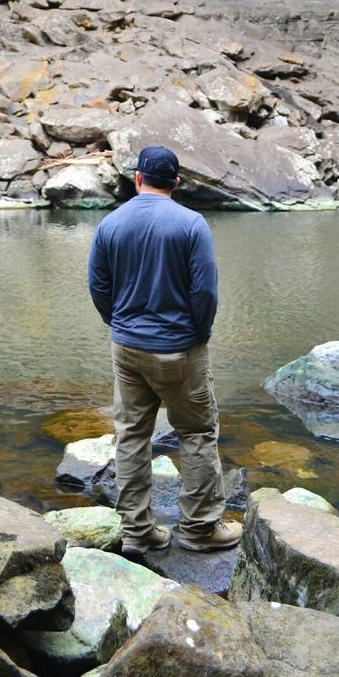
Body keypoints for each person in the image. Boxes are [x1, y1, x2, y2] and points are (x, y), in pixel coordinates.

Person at [88, 145, 241, 557]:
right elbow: (204, 291)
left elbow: (98, 287)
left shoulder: (111, 224)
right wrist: (199, 333)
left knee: (132, 435)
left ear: (138, 179)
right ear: (176, 183)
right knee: (196, 432)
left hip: (126, 348)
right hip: (179, 348)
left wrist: (119, 323)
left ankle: (138, 532)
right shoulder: (191, 224)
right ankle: (199, 530)